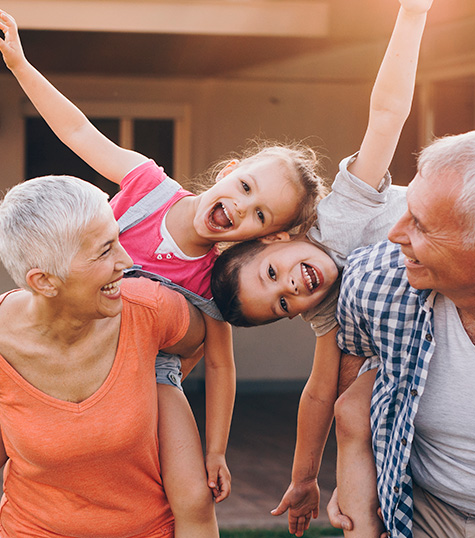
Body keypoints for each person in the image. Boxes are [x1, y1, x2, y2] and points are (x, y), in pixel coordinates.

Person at [0, 9, 326, 535]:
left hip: (150, 375)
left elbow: (221, 366)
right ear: (228, 172)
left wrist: (216, 451)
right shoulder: (148, 186)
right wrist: (19, 65)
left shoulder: (216, 278)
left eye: (261, 214)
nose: (242, 207)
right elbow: (78, 131)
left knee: (191, 494)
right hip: (74, 334)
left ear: (263, 237)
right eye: (245, 187)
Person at [211, 0, 432, 535]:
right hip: (444, 319)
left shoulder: (337, 220)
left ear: (278, 237)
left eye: (272, 274)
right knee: (352, 403)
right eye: (283, 304)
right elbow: (318, 390)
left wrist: (412, 14)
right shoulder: (329, 310)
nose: (291, 287)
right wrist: (304, 476)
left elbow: (386, 116)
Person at [329, 129, 475, 538]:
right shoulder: (374, 280)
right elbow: (354, 357)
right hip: (424, 510)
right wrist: (365, 478)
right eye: (407, 210)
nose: (395, 233)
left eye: (420, 225)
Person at [0, 173, 209, 537]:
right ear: (44, 282)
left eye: (116, 240)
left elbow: (202, 339)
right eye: (103, 251)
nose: (126, 260)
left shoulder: (150, 308)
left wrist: (154, 383)